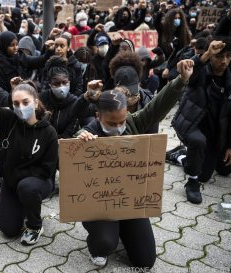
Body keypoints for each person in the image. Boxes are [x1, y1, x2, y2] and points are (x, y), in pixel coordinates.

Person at [77, 59, 194, 268]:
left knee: (145, 260)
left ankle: (122, 230)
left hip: (128, 201)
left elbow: (157, 106)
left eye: (122, 121)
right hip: (99, 204)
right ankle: (98, 241)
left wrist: (181, 80)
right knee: (105, 242)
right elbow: (72, 151)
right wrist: (80, 139)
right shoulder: (91, 131)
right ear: (98, 116)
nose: (119, 127)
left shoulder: (133, 122)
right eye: (112, 123)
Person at [0, 76, 58, 245]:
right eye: (16, 104)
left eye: (25, 102)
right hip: (11, 183)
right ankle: (24, 205)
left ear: (36, 103)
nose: (20, 107)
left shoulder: (49, 132)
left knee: (27, 188)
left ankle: (35, 226)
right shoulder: (9, 121)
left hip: (38, 182)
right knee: (9, 230)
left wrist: (15, 176)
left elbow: (47, 170)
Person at [167, 39, 231, 204]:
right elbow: (187, 72)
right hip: (193, 126)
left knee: (225, 170)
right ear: (210, 57)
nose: (224, 61)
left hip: (217, 134)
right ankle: (191, 180)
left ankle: (183, 154)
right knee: (201, 173)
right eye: (219, 57)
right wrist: (207, 53)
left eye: (228, 56)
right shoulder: (199, 74)